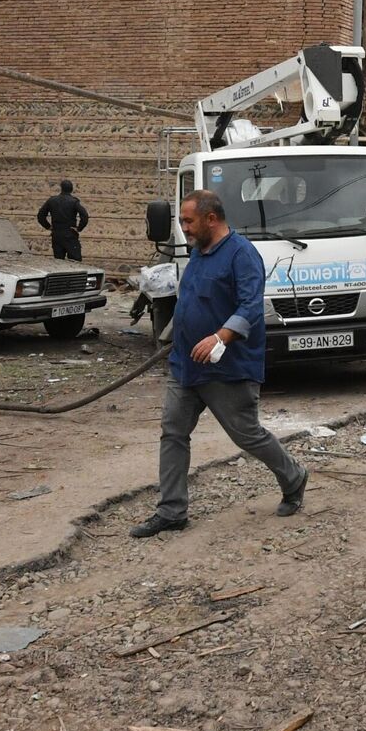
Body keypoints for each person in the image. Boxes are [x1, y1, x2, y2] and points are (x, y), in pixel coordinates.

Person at [131, 190, 307, 538]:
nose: (184, 228)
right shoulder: (199, 253)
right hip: (185, 366)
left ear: (212, 219)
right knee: (173, 433)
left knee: (247, 435)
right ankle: (172, 511)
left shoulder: (242, 255)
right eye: (182, 221)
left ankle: (294, 477)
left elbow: (250, 308)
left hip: (227, 368)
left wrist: (219, 338)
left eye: (188, 221)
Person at [38, 180, 90, 261]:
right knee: (75, 261)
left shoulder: (52, 200)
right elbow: (85, 216)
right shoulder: (74, 201)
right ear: (71, 189)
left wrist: (48, 226)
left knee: (59, 262)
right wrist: (79, 228)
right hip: (70, 234)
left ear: (61, 188)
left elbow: (40, 216)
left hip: (56, 234)